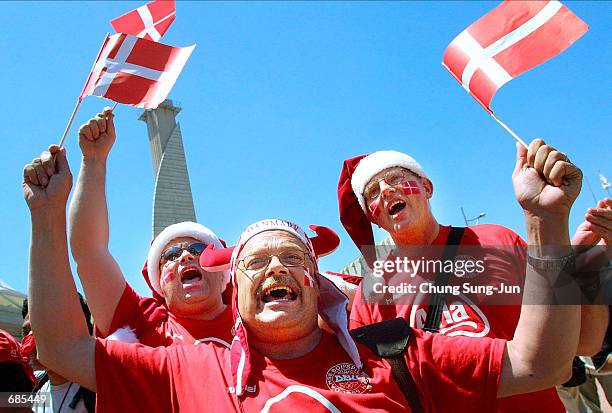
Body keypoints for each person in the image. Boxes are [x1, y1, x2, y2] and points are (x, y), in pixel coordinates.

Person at [24, 140, 588, 412]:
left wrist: (547, 223)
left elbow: (544, 363)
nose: (276, 266)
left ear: (318, 284)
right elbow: (63, 346)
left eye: (293, 259)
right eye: (256, 262)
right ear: (236, 290)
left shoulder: (394, 353)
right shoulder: (187, 368)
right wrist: (46, 222)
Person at [337, 143, 610, 412]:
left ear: (426, 188)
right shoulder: (372, 292)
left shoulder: (496, 241)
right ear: (372, 217)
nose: (386, 190)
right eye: (372, 192)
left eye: (396, 177)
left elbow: (586, 341)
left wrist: (586, 262)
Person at [68, 109, 232, 346]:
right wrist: (93, 160)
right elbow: (89, 253)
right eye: (171, 255)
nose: (186, 255)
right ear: (160, 284)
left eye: (198, 249)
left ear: (223, 274)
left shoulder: (260, 322)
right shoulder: (145, 326)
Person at [22, 296, 95, 413]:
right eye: (26, 331)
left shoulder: (99, 392)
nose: (30, 342)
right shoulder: (36, 393)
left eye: (42, 329)